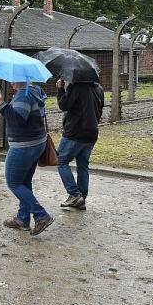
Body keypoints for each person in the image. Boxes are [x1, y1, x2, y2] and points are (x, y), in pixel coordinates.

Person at [0, 82, 55, 236]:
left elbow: (18, 120)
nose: (11, 82)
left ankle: (41, 215)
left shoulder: (24, 94)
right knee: (24, 182)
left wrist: (1, 104)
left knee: (14, 183)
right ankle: (23, 219)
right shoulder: (35, 91)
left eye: (13, 79)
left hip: (24, 146)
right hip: (36, 142)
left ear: (22, 78)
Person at [55, 79, 105, 211]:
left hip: (75, 133)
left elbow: (63, 105)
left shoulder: (76, 87)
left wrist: (60, 89)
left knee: (60, 161)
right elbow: (100, 110)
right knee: (83, 164)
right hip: (91, 133)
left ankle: (74, 195)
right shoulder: (98, 88)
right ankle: (82, 196)